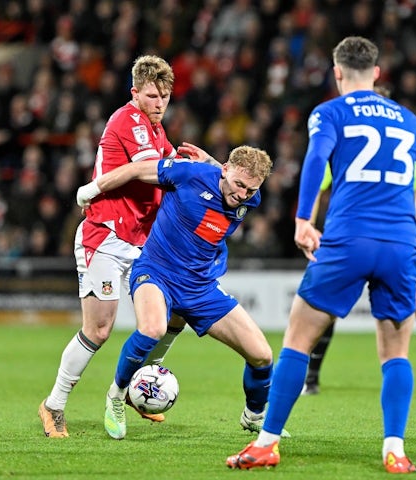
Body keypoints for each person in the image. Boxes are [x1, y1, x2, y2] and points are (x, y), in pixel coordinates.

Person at [226, 36, 416, 473]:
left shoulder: (329, 112)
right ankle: (394, 449)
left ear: (336, 73)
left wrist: (301, 220)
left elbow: (316, 158)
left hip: (348, 239)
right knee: (396, 353)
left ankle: (266, 443)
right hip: (398, 246)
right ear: (376, 73)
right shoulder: (409, 120)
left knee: (298, 338)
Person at [38, 54, 207, 438]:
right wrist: (191, 170)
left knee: (174, 313)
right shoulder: (128, 120)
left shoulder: (157, 130)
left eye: (165, 95)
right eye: (151, 95)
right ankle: (54, 405)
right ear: (135, 93)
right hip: (107, 236)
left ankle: (133, 387)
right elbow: (156, 174)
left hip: (142, 242)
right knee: (99, 330)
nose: (159, 103)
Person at [76, 145, 288, 441]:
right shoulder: (189, 173)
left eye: (251, 190)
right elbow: (138, 170)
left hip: (201, 287)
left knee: (262, 356)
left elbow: (239, 182)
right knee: (153, 328)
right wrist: (91, 189)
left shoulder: (250, 198)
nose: (242, 195)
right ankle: (116, 396)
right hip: (156, 271)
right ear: (225, 170)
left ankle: (253, 416)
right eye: (239, 185)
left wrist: (217, 164)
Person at [302, 162, 416, 396]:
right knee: (328, 307)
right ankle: (312, 377)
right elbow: (315, 183)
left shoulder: (401, 149)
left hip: (392, 241)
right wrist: (308, 223)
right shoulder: (345, 147)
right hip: (349, 239)